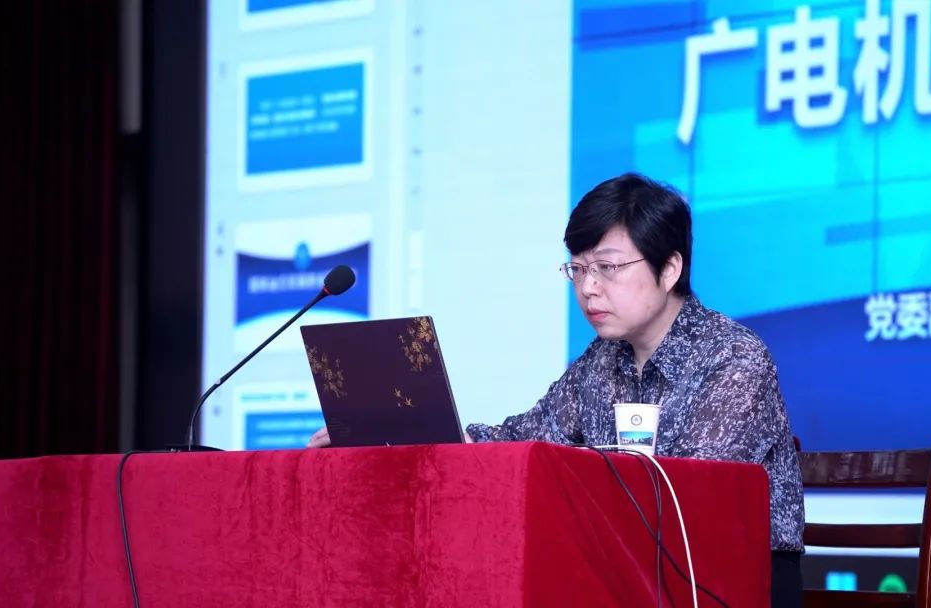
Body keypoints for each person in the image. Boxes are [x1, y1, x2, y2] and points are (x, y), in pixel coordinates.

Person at [308, 173, 805, 607]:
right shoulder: (601, 362)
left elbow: (687, 496)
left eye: (608, 267)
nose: (588, 288)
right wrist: (404, 433)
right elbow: (523, 437)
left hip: (726, 584)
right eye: (578, 269)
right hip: (628, 577)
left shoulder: (734, 358)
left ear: (669, 268)